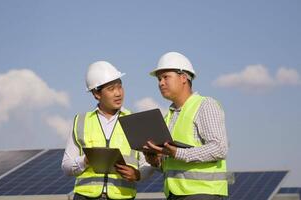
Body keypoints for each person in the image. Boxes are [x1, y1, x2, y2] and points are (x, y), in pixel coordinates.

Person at [62, 61, 153, 200]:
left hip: (122, 197)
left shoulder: (135, 121)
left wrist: (138, 174)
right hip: (85, 197)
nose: (118, 93)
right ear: (96, 94)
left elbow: (148, 163)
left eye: (120, 87)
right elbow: (66, 166)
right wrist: (85, 160)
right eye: (111, 89)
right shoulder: (81, 121)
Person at [144, 52, 228, 200]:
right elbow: (173, 162)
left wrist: (177, 153)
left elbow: (219, 148)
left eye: (165, 77)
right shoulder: (167, 117)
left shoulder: (205, 105)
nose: (161, 83)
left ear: (183, 77)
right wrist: (156, 161)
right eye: (159, 79)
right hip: (175, 194)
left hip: (203, 194)